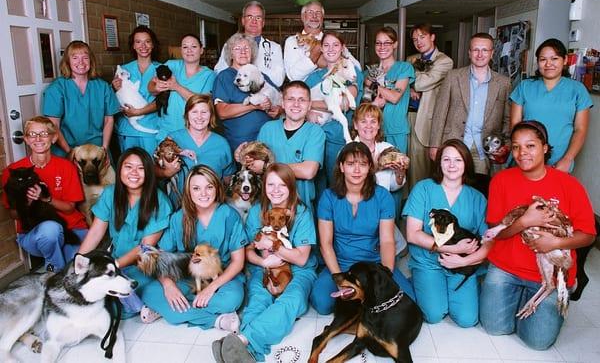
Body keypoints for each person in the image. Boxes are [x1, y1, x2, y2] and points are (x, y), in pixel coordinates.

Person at [480, 120, 595, 349]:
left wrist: (556, 242)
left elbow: (589, 235)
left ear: (545, 147)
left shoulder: (569, 185)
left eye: (530, 146)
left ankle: (531, 302)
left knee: (537, 341)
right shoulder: (501, 180)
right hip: (506, 267)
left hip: (550, 276)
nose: (522, 153)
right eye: (516, 147)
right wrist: (524, 222)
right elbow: (496, 233)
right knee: (494, 327)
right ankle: (516, 297)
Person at [212, 163, 317, 363]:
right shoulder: (257, 211)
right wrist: (264, 262)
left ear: (291, 187)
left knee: (292, 300)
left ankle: (239, 342)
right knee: (258, 299)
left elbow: (302, 258)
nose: (276, 190)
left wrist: (273, 245)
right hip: (264, 266)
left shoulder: (301, 212)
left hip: (298, 269)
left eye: (282, 185)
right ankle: (243, 351)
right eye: (271, 185)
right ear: (264, 186)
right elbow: (248, 251)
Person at [310, 142, 415, 315]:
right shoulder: (328, 197)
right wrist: (340, 280)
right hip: (341, 263)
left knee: (409, 302)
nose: (357, 170)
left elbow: (388, 241)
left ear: (370, 168)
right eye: (351, 164)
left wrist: (385, 276)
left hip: (374, 265)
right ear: (342, 167)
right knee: (323, 304)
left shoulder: (382, 196)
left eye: (363, 164)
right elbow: (326, 244)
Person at [141, 165, 246, 330]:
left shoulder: (228, 215)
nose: (203, 193)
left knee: (232, 298)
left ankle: (171, 310)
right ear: (189, 192)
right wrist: (168, 286)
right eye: (196, 188)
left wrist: (211, 289)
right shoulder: (179, 218)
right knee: (149, 292)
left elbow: (238, 262)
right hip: (187, 277)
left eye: (209, 187)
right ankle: (217, 320)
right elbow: (158, 257)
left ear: (216, 188)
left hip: (221, 276)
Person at [78, 147, 172, 320]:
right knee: (92, 296)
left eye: (140, 168)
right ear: (119, 169)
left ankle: (142, 306)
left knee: (111, 302)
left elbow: (145, 248)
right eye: (128, 167)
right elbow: (96, 232)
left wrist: (112, 267)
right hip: (116, 261)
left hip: (143, 267)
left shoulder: (160, 202)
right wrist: (79, 262)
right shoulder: (110, 193)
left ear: (149, 172)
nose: (134, 173)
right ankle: (134, 304)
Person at [403, 139, 489, 327]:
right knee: (434, 314)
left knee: (467, 320)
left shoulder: (477, 198)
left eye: (458, 160)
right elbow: (412, 234)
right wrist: (452, 248)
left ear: (466, 164)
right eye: (446, 159)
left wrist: (463, 260)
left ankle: (451, 287)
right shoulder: (423, 189)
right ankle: (420, 281)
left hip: (461, 265)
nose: (451, 165)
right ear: (439, 163)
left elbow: (490, 243)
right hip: (428, 262)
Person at [1, 116, 88, 272]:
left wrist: (45, 198)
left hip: (72, 228)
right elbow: (13, 214)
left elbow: (69, 208)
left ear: (53, 138)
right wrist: (27, 202)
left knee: (79, 270)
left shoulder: (66, 166)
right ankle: (55, 271)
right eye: (32, 134)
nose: (38, 138)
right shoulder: (13, 171)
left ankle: (55, 267)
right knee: (50, 230)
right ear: (26, 140)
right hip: (37, 233)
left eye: (44, 133)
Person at [430, 32, 511, 195]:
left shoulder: (503, 82)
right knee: (449, 188)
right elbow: (440, 112)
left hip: (484, 147)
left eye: (484, 50)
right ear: (469, 52)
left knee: (479, 191)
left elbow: (507, 118)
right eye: (475, 50)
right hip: (454, 142)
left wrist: (505, 144)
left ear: (492, 53)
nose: (480, 54)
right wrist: (434, 145)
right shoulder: (453, 76)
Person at [510, 38, 593, 173]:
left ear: (565, 60)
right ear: (538, 62)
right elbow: (515, 123)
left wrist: (568, 159)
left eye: (554, 58)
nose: (548, 64)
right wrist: (522, 153)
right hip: (524, 159)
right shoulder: (524, 86)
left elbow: (580, 129)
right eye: (543, 59)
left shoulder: (578, 90)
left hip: (560, 161)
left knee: (553, 194)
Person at [240, 81, 325, 212]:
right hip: (268, 206)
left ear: (309, 105)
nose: (296, 104)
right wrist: (242, 155)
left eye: (302, 100)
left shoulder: (315, 132)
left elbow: (308, 171)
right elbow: (253, 163)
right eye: (291, 99)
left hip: (300, 207)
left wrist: (266, 166)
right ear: (283, 103)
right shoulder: (268, 129)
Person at [305, 32, 364, 186]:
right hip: (314, 138)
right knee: (315, 188)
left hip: (338, 139)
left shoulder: (351, 71)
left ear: (343, 48)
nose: (331, 49)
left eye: (335, 45)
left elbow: (343, 104)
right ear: (321, 49)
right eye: (326, 45)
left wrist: (310, 105)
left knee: (338, 186)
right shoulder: (314, 77)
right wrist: (307, 111)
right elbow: (298, 103)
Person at [42, 40, 119, 157]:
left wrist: (104, 149)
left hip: (97, 151)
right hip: (66, 150)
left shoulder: (102, 87)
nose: (81, 62)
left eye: (85, 57)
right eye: (75, 58)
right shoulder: (56, 88)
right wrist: (70, 153)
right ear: (67, 61)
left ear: (91, 60)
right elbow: (53, 125)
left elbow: (109, 120)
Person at [352, 103, 408, 255]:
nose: (368, 126)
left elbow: (394, 186)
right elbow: (349, 182)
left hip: (381, 206)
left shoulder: (387, 148)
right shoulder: (348, 149)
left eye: (373, 121)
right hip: (356, 206)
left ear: (378, 126)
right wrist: (377, 165)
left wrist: (399, 173)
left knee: (400, 251)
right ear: (356, 125)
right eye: (363, 121)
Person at [159, 94, 235, 206]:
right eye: (194, 112)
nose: (199, 117)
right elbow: (154, 171)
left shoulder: (222, 144)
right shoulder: (173, 139)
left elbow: (227, 180)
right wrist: (168, 172)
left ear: (211, 116)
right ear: (186, 115)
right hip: (179, 207)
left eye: (204, 112)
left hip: (211, 207)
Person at [213, 33, 279, 152]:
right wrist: (254, 106)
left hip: (269, 141)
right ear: (230, 54)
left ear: (252, 53)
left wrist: (279, 109)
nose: (243, 52)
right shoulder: (224, 77)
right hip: (243, 144)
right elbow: (222, 112)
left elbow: (281, 98)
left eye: (246, 48)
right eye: (237, 48)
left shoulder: (260, 75)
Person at [406, 23, 453, 190]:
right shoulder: (410, 59)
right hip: (407, 116)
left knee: (422, 170)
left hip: (425, 119)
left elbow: (421, 83)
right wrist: (409, 86)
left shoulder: (445, 61)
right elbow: (402, 81)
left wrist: (410, 83)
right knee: (405, 167)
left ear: (432, 37)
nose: (418, 42)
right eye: (414, 39)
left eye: (422, 37)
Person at [149, 33, 215, 139]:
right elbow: (151, 87)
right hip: (167, 130)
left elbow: (202, 103)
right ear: (181, 50)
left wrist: (176, 87)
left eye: (194, 46)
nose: (189, 50)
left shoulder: (209, 75)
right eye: (185, 47)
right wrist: (156, 88)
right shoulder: (171, 65)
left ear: (201, 50)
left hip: (194, 132)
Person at [112, 26, 161, 154]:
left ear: (153, 44)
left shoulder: (162, 69)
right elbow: (115, 101)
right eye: (138, 42)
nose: (143, 46)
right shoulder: (123, 70)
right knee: (129, 169)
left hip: (151, 128)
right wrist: (113, 89)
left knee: (150, 168)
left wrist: (139, 111)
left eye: (147, 41)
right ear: (133, 46)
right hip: (127, 130)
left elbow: (164, 100)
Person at [283, 1, 360, 81]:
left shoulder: (333, 40)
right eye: (310, 12)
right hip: (302, 91)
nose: (314, 16)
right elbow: (292, 77)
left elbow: (358, 68)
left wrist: (337, 59)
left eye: (318, 13)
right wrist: (315, 55)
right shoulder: (291, 41)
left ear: (322, 18)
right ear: (303, 17)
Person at [215, 1, 284, 87]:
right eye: (250, 17)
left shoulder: (275, 48)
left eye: (258, 18)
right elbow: (219, 71)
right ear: (243, 21)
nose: (254, 21)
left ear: (263, 23)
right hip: (234, 94)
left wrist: (244, 67)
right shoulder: (229, 45)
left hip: (264, 96)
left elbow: (278, 80)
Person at [368, 26, 415, 153]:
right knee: (374, 169)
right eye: (378, 43)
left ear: (395, 44)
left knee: (396, 167)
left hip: (396, 130)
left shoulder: (404, 68)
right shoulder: (370, 71)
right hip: (372, 130)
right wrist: (374, 104)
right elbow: (364, 102)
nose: (382, 47)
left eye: (387, 43)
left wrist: (375, 84)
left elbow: (394, 97)